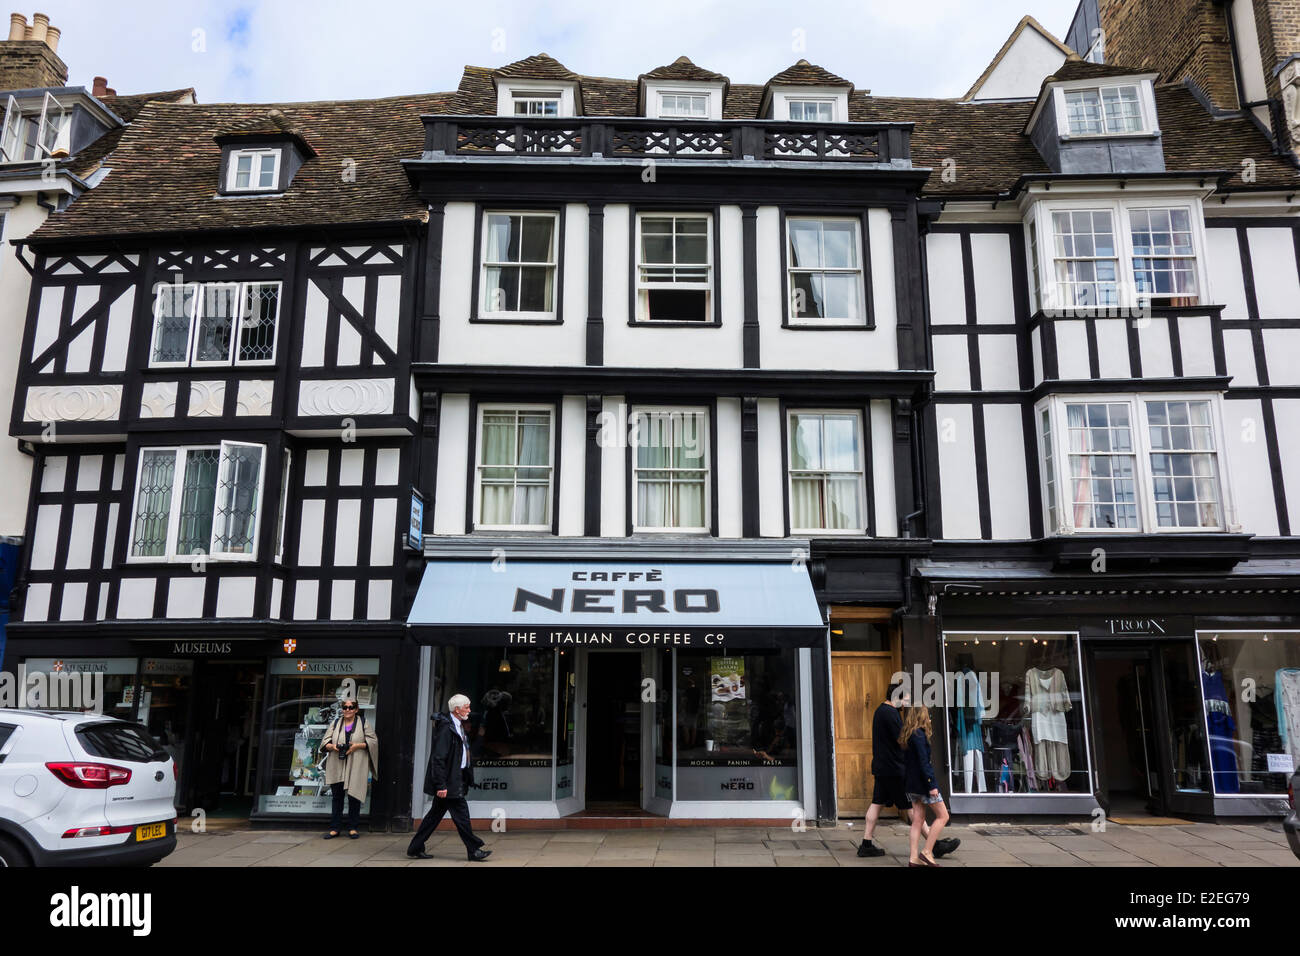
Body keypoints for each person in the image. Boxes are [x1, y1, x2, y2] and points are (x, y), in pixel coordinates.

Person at [858, 683, 958, 859]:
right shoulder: (891, 714)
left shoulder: (880, 711)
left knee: (877, 803)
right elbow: (903, 740)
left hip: (881, 767)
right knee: (913, 810)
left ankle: (866, 844)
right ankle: (934, 846)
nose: (905, 704)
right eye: (904, 700)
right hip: (894, 769)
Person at [407, 694, 491, 862]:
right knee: (462, 816)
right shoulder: (447, 729)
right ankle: (473, 850)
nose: (469, 710)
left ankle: (415, 847)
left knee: (433, 817)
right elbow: (438, 759)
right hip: (450, 781)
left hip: (455, 777)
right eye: (467, 707)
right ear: (457, 710)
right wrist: (441, 785)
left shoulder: (457, 725)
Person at [900, 704, 950, 867]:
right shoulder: (919, 735)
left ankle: (913, 858)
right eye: (927, 715)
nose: (929, 718)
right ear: (922, 716)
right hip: (923, 785)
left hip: (912, 785)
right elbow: (924, 763)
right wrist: (931, 785)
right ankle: (927, 852)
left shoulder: (908, 735)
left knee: (918, 820)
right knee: (943, 816)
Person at [321, 698, 378, 840]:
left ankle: (353, 828)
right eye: (345, 707)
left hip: (356, 764)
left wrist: (357, 746)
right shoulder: (336, 723)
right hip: (337, 763)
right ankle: (335, 828)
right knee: (337, 797)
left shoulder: (363, 722)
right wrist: (333, 746)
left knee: (354, 796)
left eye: (351, 707)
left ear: (356, 709)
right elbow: (325, 742)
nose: (347, 710)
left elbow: (373, 741)